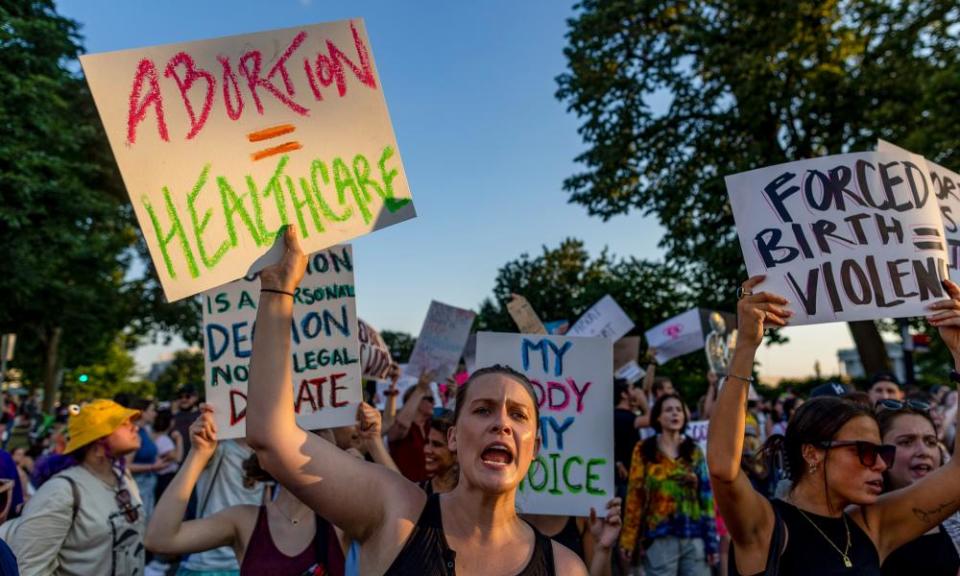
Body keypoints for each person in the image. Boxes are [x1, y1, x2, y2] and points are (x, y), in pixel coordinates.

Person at [245, 226, 603, 574]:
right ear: (453, 435)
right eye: (482, 410)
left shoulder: (565, 567)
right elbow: (273, 439)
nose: (502, 423)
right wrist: (278, 289)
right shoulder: (393, 510)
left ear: (535, 445)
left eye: (519, 415)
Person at [708, 275, 960, 575]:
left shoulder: (872, 527)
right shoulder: (767, 528)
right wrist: (746, 346)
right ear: (813, 453)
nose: (880, 464)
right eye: (865, 451)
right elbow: (724, 468)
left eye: (883, 452)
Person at [146, 405, 345, 576]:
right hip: (207, 564)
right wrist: (198, 454)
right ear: (266, 460)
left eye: (318, 437)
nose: (309, 449)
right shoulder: (245, 521)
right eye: (295, 437)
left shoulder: (345, 523)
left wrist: (374, 446)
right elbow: (159, 540)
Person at [0, 399, 145, 575]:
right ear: (98, 444)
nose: (134, 428)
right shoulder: (61, 491)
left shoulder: (123, 477)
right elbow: (29, 567)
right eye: (123, 423)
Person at [620, 394, 718, 575]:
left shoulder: (694, 451)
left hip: (693, 536)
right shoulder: (644, 450)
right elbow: (635, 496)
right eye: (669, 410)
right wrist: (628, 538)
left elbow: (706, 498)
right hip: (659, 538)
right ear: (657, 417)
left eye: (679, 410)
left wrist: (711, 543)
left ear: (684, 416)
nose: (675, 414)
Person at [876, 401, 960, 575]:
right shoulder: (864, 520)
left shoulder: (953, 516)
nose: (923, 451)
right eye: (906, 442)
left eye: (930, 442)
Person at [387, 371, 435, 483]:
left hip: (431, 493)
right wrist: (420, 390)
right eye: (430, 399)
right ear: (416, 401)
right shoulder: (402, 428)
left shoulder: (432, 426)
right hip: (405, 492)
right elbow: (401, 425)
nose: (434, 403)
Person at [421, 410, 458, 495]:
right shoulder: (419, 492)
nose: (427, 450)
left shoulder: (472, 496)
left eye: (437, 444)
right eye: (427, 442)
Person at [173, 385, 201, 460]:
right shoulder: (173, 417)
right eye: (180, 397)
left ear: (196, 398)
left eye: (187, 396)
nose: (183, 399)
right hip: (178, 464)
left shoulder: (202, 416)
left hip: (199, 461)